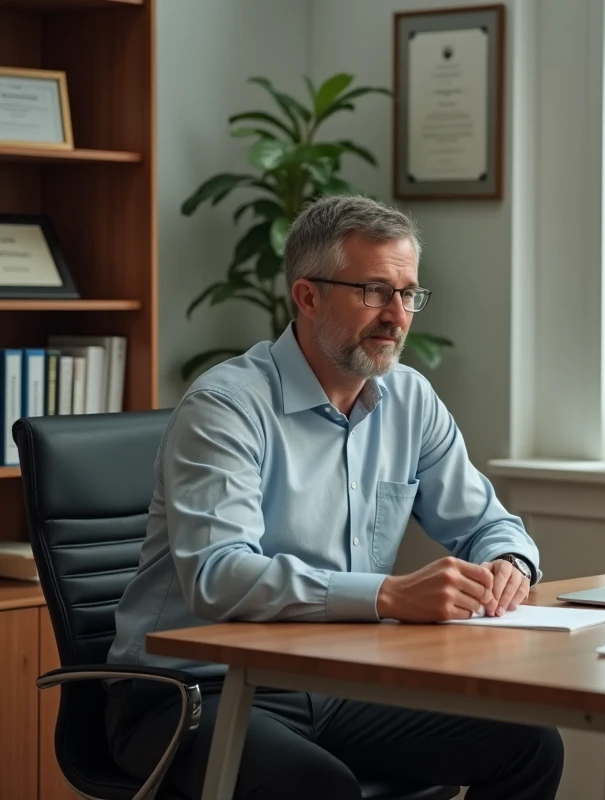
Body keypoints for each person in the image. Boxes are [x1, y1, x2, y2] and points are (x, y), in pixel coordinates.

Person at [105, 195, 563, 799]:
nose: (397, 316)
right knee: (314, 787)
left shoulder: (409, 399)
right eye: (374, 291)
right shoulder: (227, 407)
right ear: (308, 296)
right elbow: (218, 576)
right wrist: (391, 594)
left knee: (528, 743)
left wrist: (511, 562)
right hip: (189, 692)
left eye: (409, 294)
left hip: (337, 683)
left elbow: (487, 522)